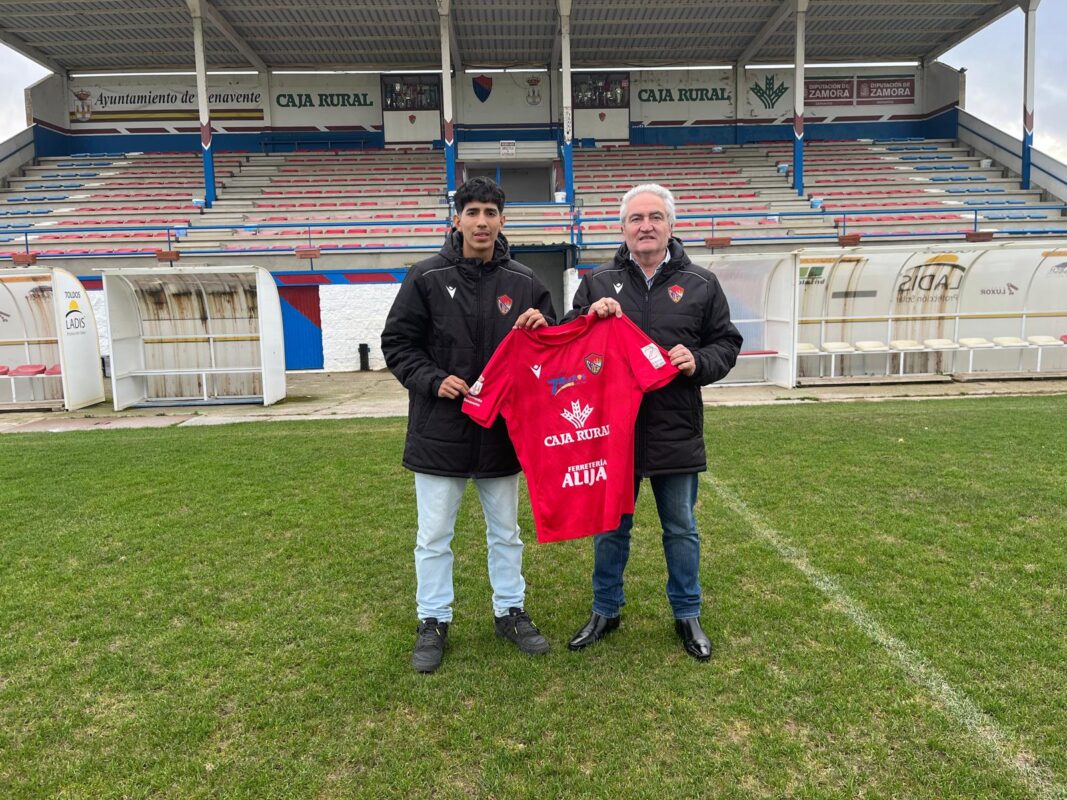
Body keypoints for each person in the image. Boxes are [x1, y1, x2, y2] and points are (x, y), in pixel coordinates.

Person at [381, 176, 556, 673]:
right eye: (473, 212)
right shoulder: (426, 276)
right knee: (434, 535)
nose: (482, 221)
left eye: (491, 213)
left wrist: (545, 329)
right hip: (441, 431)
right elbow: (398, 345)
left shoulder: (524, 282)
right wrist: (435, 380)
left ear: (503, 221)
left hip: (503, 432)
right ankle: (433, 620)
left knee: (507, 533)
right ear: (456, 218)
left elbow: (553, 350)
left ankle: (510, 612)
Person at [565, 183, 742, 660]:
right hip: (611, 433)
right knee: (610, 528)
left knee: (681, 527)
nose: (645, 226)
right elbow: (569, 343)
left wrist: (699, 360)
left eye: (655, 217)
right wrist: (587, 318)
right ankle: (606, 609)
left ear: (671, 225)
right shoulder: (598, 282)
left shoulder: (702, 283)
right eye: (636, 218)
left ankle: (687, 614)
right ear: (622, 228)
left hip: (675, 429)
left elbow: (727, 343)